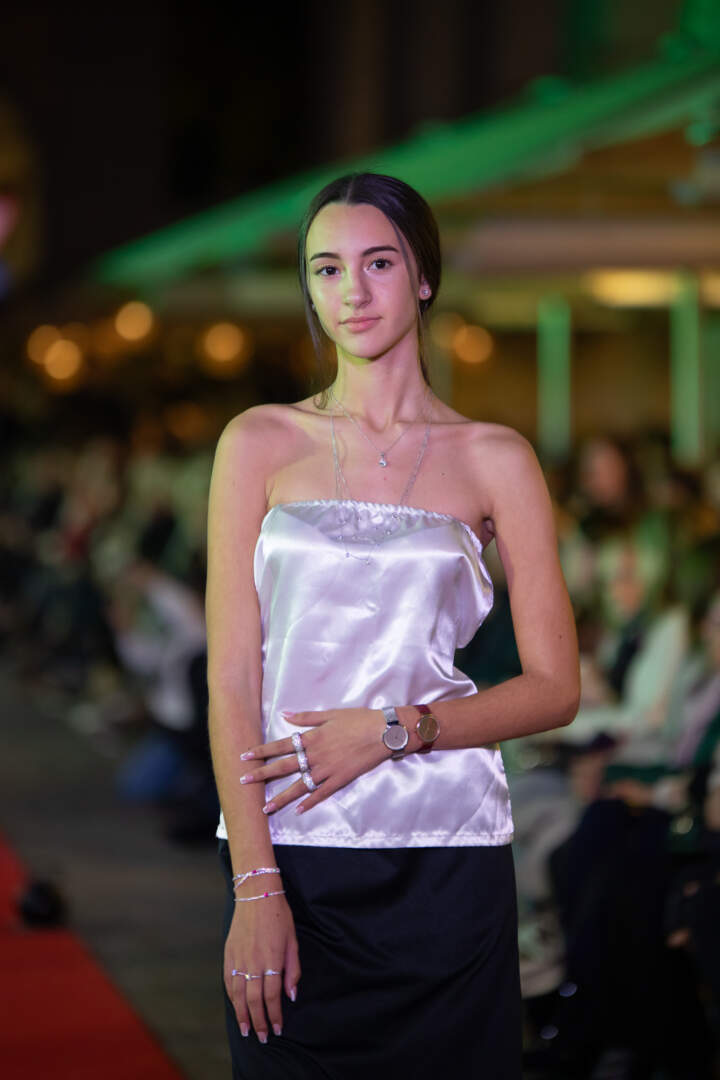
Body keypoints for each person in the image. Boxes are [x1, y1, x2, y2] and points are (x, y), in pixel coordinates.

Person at [205, 172, 580, 1079]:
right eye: (327, 269)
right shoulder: (257, 441)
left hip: (446, 854)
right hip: (291, 843)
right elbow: (232, 678)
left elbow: (555, 688)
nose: (353, 292)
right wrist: (254, 884)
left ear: (423, 276)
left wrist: (393, 731)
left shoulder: (496, 456)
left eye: (378, 263)